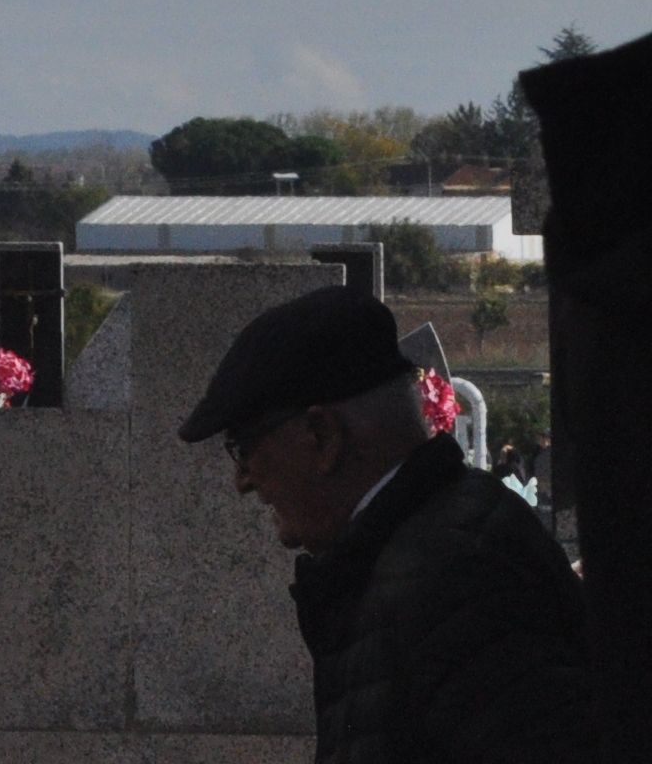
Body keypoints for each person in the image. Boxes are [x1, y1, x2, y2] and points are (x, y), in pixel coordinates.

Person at [178, 281, 599, 763]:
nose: (242, 480)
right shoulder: (420, 553)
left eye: (245, 447)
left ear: (322, 436)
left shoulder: (456, 578)